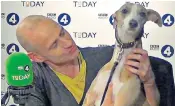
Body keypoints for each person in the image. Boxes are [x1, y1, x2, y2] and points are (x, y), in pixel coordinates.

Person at [16, 15, 174, 106]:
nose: (68, 43)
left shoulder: (109, 57)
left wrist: (149, 80)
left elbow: (162, 70)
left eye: (62, 32)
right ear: (36, 57)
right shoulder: (32, 79)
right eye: (54, 44)